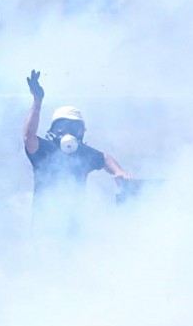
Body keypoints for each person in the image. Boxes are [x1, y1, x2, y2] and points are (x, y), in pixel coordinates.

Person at [23, 70, 129, 234]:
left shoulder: (83, 154)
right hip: (44, 230)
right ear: (55, 128)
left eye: (76, 127)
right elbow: (28, 136)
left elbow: (105, 158)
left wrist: (119, 172)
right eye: (66, 125)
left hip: (74, 231)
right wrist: (37, 102)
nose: (72, 131)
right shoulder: (44, 150)